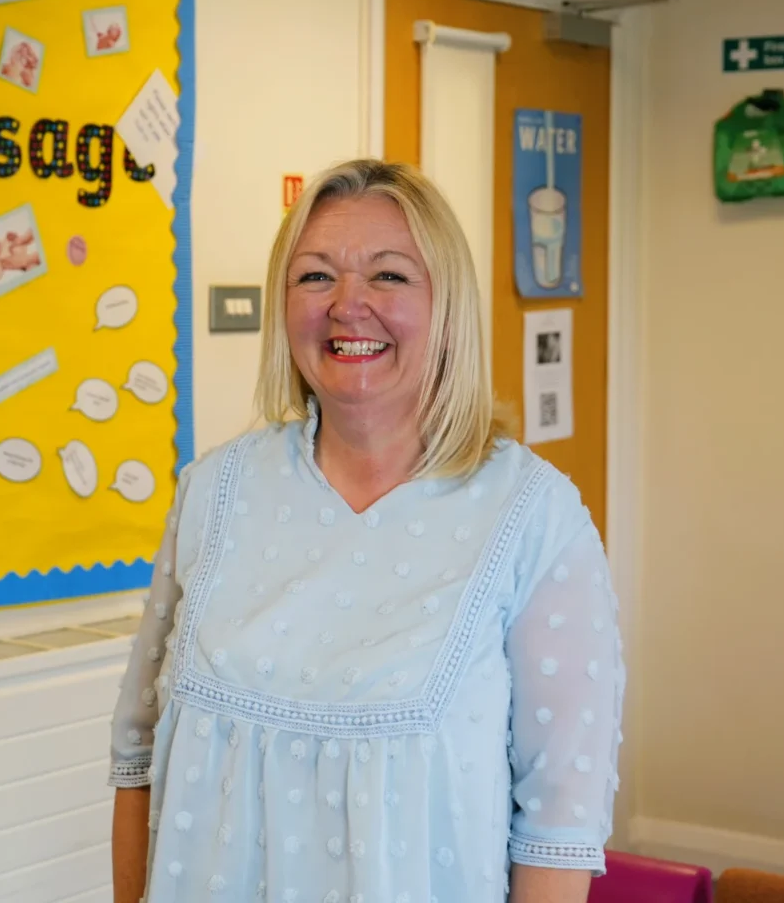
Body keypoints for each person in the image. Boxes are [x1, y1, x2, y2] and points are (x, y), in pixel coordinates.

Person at [110, 159, 625, 903]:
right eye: (316, 277)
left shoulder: (533, 518)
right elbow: (137, 755)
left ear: (446, 305)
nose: (349, 305)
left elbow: (558, 828)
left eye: (389, 276)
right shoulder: (212, 493)